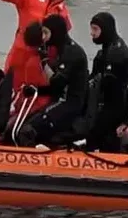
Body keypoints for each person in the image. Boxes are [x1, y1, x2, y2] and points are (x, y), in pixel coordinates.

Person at [14, 14, 89, 147]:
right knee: (24, 125)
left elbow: (56, 83)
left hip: (69, 104)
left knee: (27, 131)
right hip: (59, 101)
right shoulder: (61, 50)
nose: (43, 37)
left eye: (45, 33)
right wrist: (36, 90)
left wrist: (44, 62)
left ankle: (32, 160)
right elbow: (55, 87)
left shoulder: (72, 52)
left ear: (55, 33)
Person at [0, 0, 74, 91]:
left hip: (42, 61)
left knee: (35, 96)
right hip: (20, 55)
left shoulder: (62, 10)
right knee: (9, 92)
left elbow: (64, 38)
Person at [82, 12, 128, 152]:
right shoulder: (106, 49)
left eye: (95, 29)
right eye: (91, 29)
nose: (92, 33)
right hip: (106, 103)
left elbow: (108, 83)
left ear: (106, 29)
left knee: (96, 135)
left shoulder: (115, 52)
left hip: (114, 105)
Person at [3, 21, 54, 140]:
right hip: (42, 102)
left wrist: (17, 108)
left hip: (37, 104)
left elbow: (31, 93)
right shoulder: (43, 59)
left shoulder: (32, 62)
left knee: (10, 126)